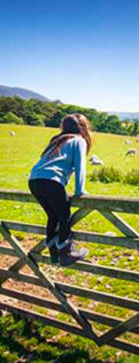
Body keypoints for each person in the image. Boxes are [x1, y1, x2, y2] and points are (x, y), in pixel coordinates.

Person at [29, 114, 91, 266]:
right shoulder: (78, 140)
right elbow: (80, 167)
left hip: (34, 180)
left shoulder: (57, 140)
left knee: (53, 216)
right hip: (51, 181)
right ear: (83, 127)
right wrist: (80, 191)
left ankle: (54, 254)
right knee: (64, 217)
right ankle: (66, 253)